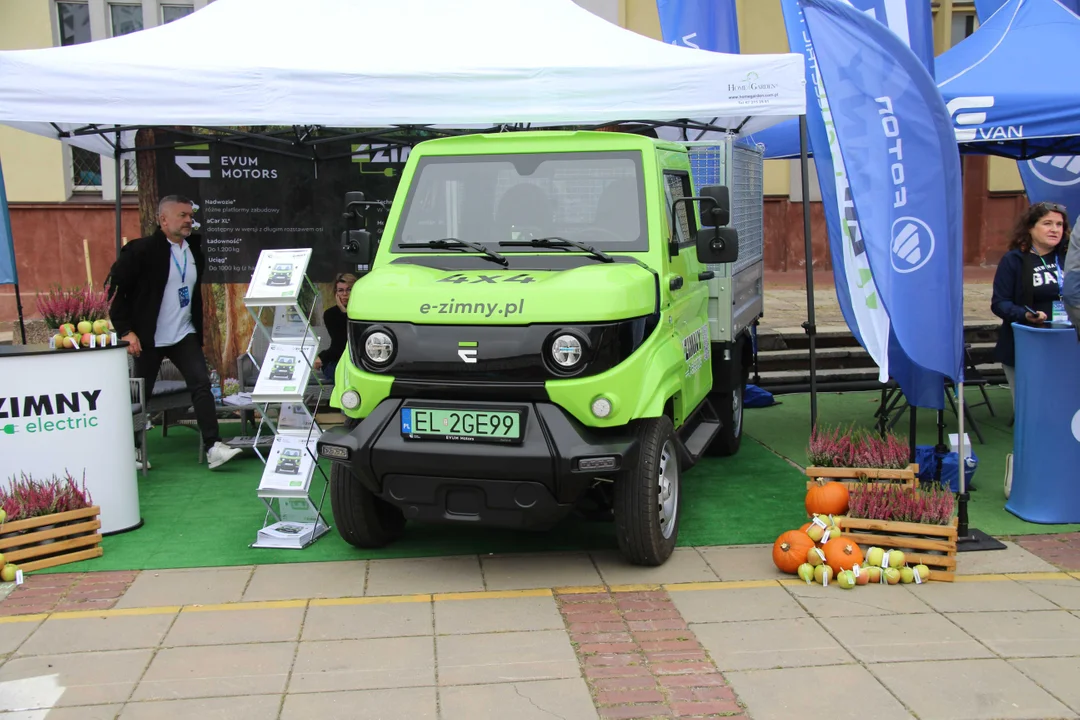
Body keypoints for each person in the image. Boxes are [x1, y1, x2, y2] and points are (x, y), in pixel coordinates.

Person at [106, 194, 243, 470]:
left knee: (201, 383)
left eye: (190, 216)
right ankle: (132, 449)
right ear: (163, 219)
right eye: (182, 215)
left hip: (183, 334)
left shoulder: (193, 250)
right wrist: (126, 331)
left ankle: (213, 446)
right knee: (139, 394)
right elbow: (115, 293)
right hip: (147, 338)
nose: (189, 221)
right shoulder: (140, 251)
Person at [991, 201, 1072, 409]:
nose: (1055, 229)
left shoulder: (1071, 258)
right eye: (1047, 223)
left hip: (1067, 343)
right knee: (1032, 408)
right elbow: (1000, 303)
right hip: (1028, 343)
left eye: (1059, 224)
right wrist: (1025, 315)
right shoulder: (1014, 260)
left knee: (1065, 407)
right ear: (1030, 227)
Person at [314, 273, 357, 381]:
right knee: (343, 376)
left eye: (349, 290)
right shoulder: (331, 314)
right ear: (335, 293)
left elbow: (354, 341)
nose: (345, 294)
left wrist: (345, 312)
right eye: (340, 290)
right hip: (337, 360)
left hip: (358, 361)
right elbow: (340, 344)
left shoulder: (363, 312)